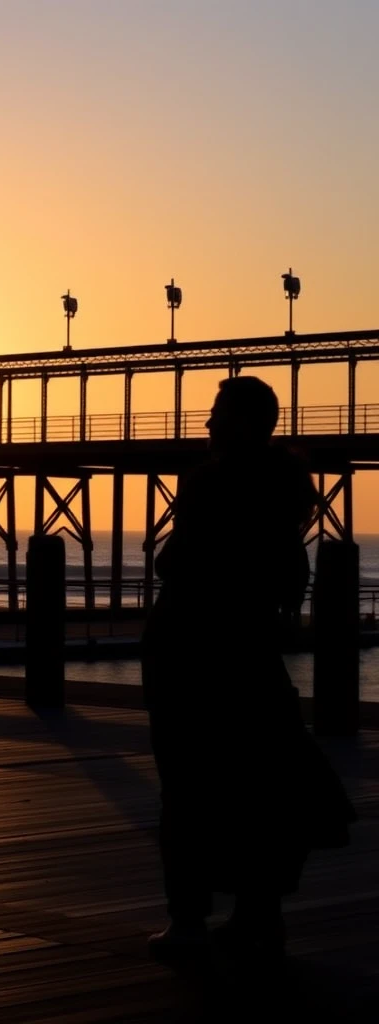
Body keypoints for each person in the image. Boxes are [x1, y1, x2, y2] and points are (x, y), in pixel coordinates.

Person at [142, 376, 355, 967]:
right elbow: (289, 579)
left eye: (216, 413)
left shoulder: (213, 486)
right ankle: (257, 915)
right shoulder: (286, 496)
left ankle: (188, 919)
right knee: (261, 785)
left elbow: (176, 561)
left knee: (187, 787)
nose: (206, 425)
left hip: (194, 658)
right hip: (254, 662)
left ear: (240, 422)